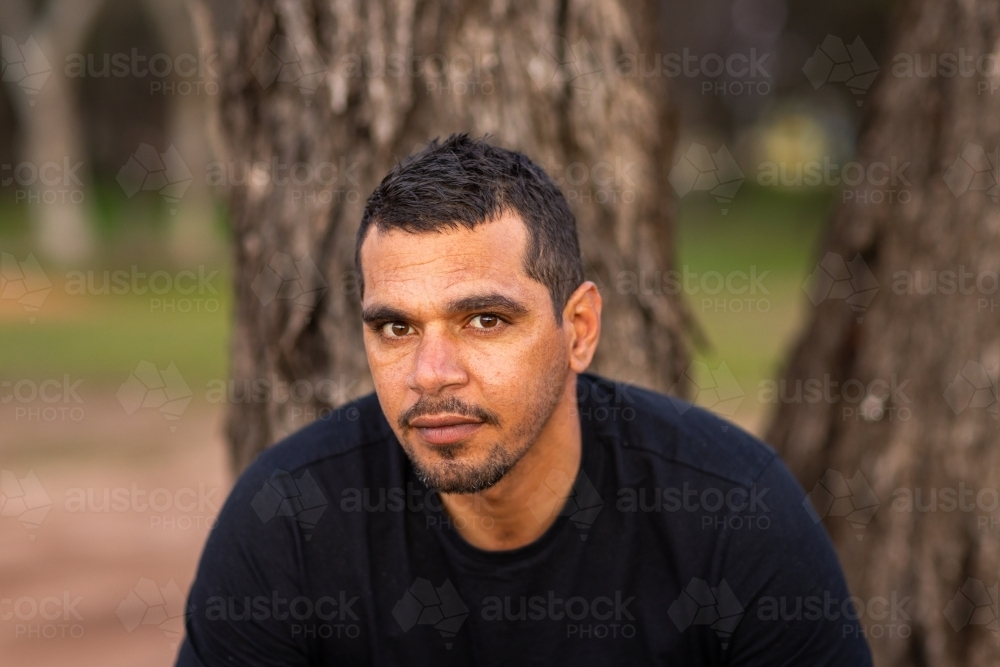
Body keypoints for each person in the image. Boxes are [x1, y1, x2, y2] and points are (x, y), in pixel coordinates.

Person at [176, 134, 873, 666]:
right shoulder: (289, 523)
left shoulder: (731, 512)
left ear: (579, 330)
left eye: (484, 320)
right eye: (396, 327)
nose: (432, 373)